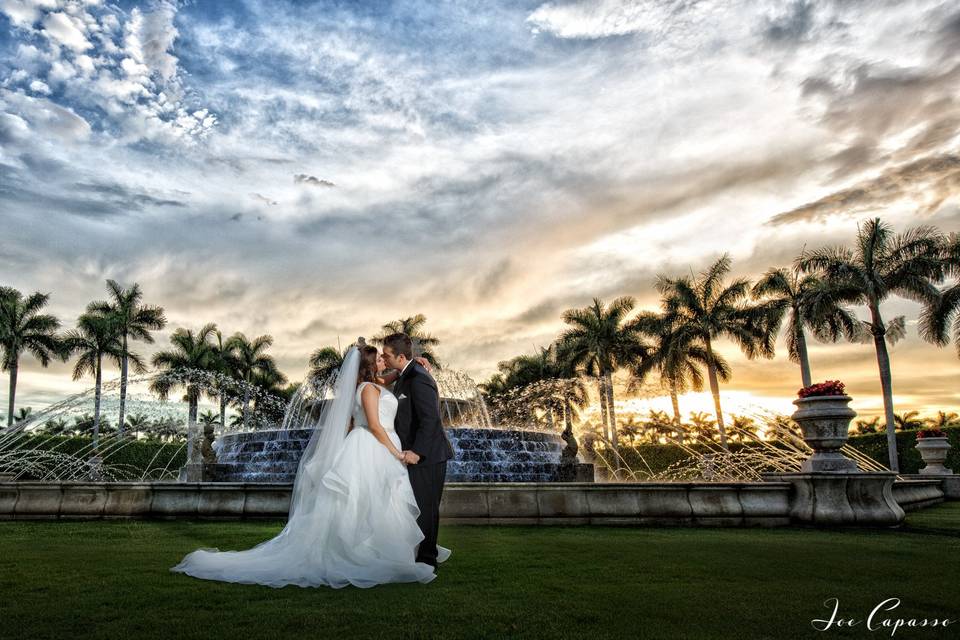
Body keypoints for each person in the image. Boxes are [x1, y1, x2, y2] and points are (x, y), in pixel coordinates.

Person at [169, 340, 450, 588]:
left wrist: (416, 365)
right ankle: (370, 553)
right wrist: (396, 453)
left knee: (379, 502)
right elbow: (376, 426)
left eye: (386, 357)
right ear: (368, 366)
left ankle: (392, 551)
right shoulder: (368, 389)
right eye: (379, 358)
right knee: (365, 503)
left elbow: (393, 377)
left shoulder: (377, 384)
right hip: (377, 447)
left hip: (379, 449)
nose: (383, 361)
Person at [381, 332, 454, 568]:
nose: (384, 358)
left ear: (400, 357)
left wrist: (417, 452)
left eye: (387, 355)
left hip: (428, 456)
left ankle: (427, 559)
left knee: (426, 508)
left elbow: (430, 419)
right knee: (417, 508)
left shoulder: (419, 377)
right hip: (414, 455)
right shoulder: (405, 374)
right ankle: (419, 554)